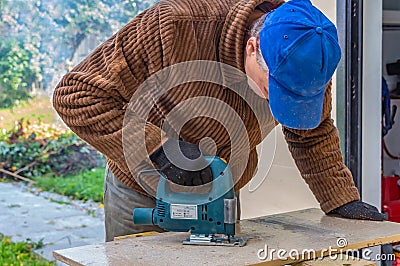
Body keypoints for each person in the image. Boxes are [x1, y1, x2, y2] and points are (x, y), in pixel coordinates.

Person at [52, 0, 385, 242]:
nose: (272, 101)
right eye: (274, 89)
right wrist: (157, 149)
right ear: (253, 47)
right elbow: (77, 94)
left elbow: (309, 132)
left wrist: (341, 199)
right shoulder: (172, 25)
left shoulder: (309, 53)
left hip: (220, 198)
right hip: (144, 190)